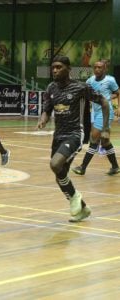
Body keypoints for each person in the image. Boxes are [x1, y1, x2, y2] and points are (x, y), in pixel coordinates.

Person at [37, 55, 110, 222]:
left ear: (69, 69)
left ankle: (75, 197)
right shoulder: (51, 88)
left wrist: (105, 129)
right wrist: (43, 119)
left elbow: (104, 103)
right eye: (53, 67)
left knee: (55, 164)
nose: (55, 70)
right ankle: (83, 208)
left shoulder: (81, 88)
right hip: (58, 135)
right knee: (59, 173)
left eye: (59, 67)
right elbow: (47, 110)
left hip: (76, 134)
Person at [72, 60, 120, 176]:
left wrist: (118, 107)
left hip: (106, 112)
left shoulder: (110, 80)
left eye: (100, 67)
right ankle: (115, 167)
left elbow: (118, 92)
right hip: (95, 112)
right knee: (105, 142)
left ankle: (82, 167)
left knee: (94, 139)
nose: (97, 69)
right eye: (95, 67)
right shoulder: (90, 81)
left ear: (105, 69)